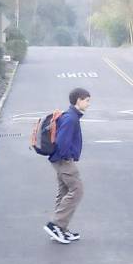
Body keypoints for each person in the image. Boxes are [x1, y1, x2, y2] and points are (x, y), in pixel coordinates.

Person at [43, 87, 90, 244]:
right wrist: (66, 157)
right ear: (79, 100)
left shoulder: (70, 116)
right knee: (77, 190)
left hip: (58, 160)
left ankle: (60, 229)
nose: (88, 104)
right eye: (87, 100)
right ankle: (56, 225)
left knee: (64, 191)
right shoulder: (71, 118)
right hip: (64, 161)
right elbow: (62, 142)